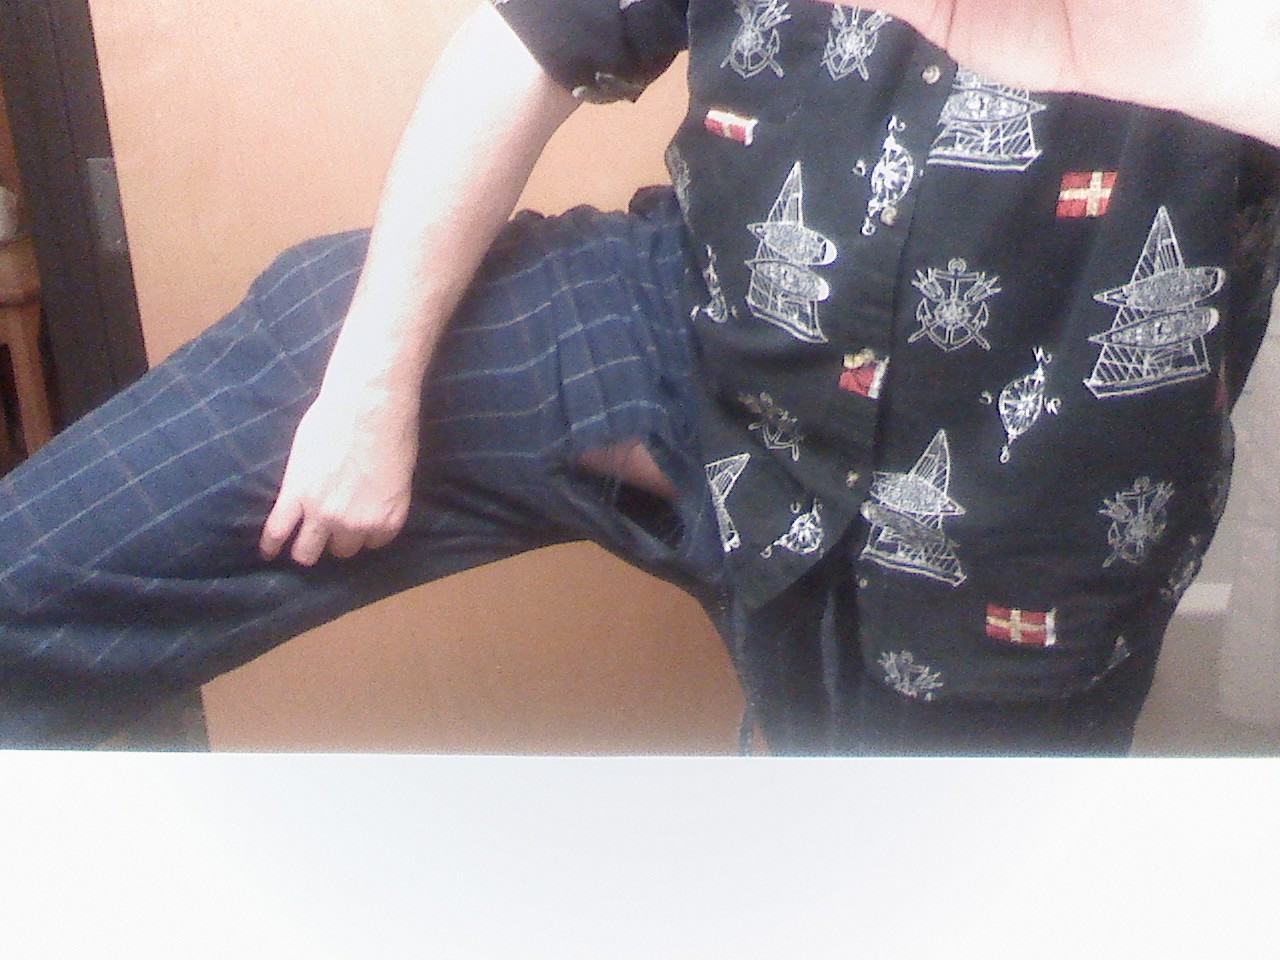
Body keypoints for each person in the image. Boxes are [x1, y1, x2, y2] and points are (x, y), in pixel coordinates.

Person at [1, 0, 1277, 752]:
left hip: (1026, 507)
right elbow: (532, 37)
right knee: (319, 345)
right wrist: (367, 392)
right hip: (698, 340)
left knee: (909, 877)